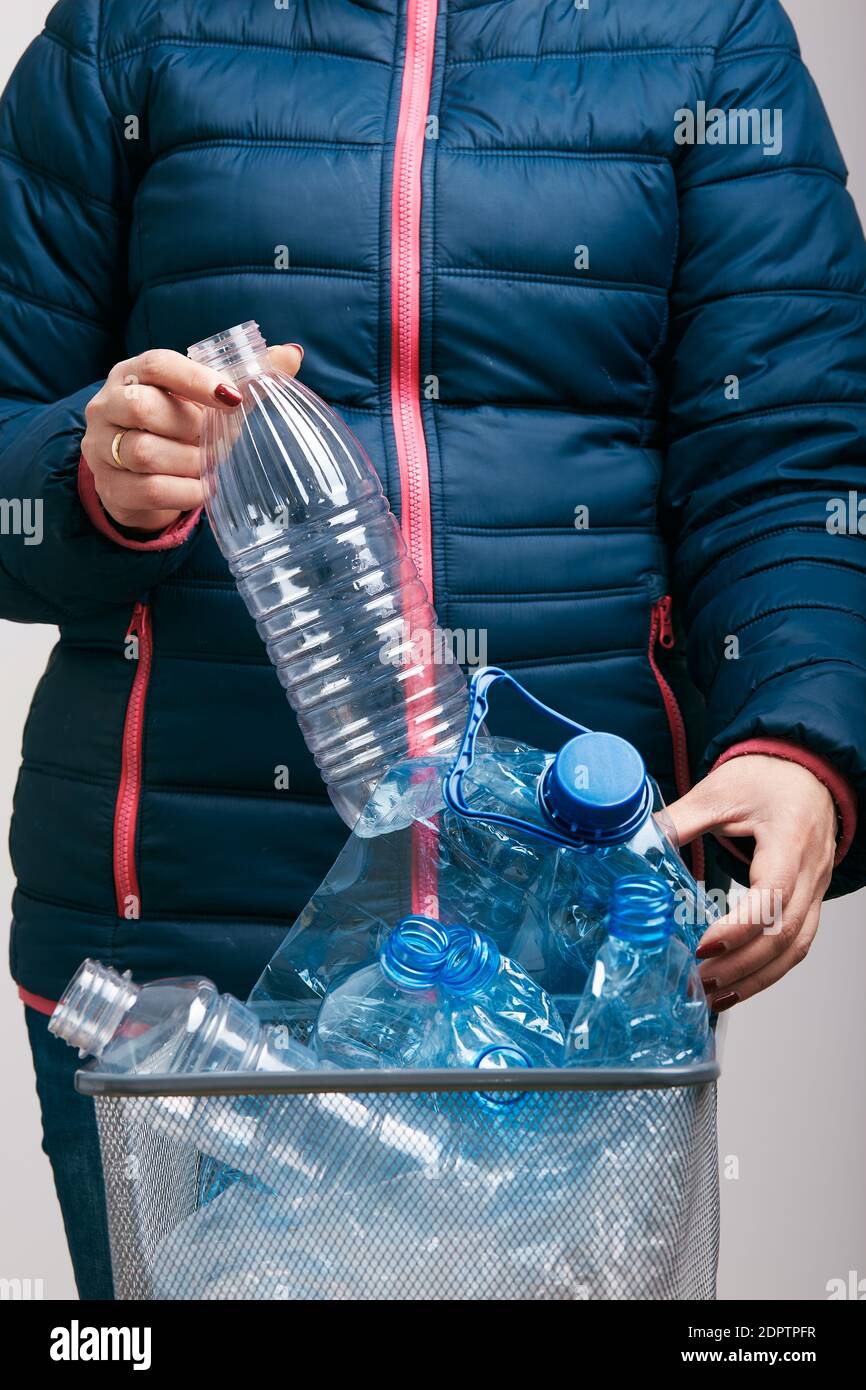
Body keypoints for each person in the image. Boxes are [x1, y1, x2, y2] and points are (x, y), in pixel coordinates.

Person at [1, 0, 863, 1300]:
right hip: (190, 952)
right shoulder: (127, 27)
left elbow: (790, 460)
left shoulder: (704, 31)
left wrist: (794, 743)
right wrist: (95, 472)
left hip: (566, 946)